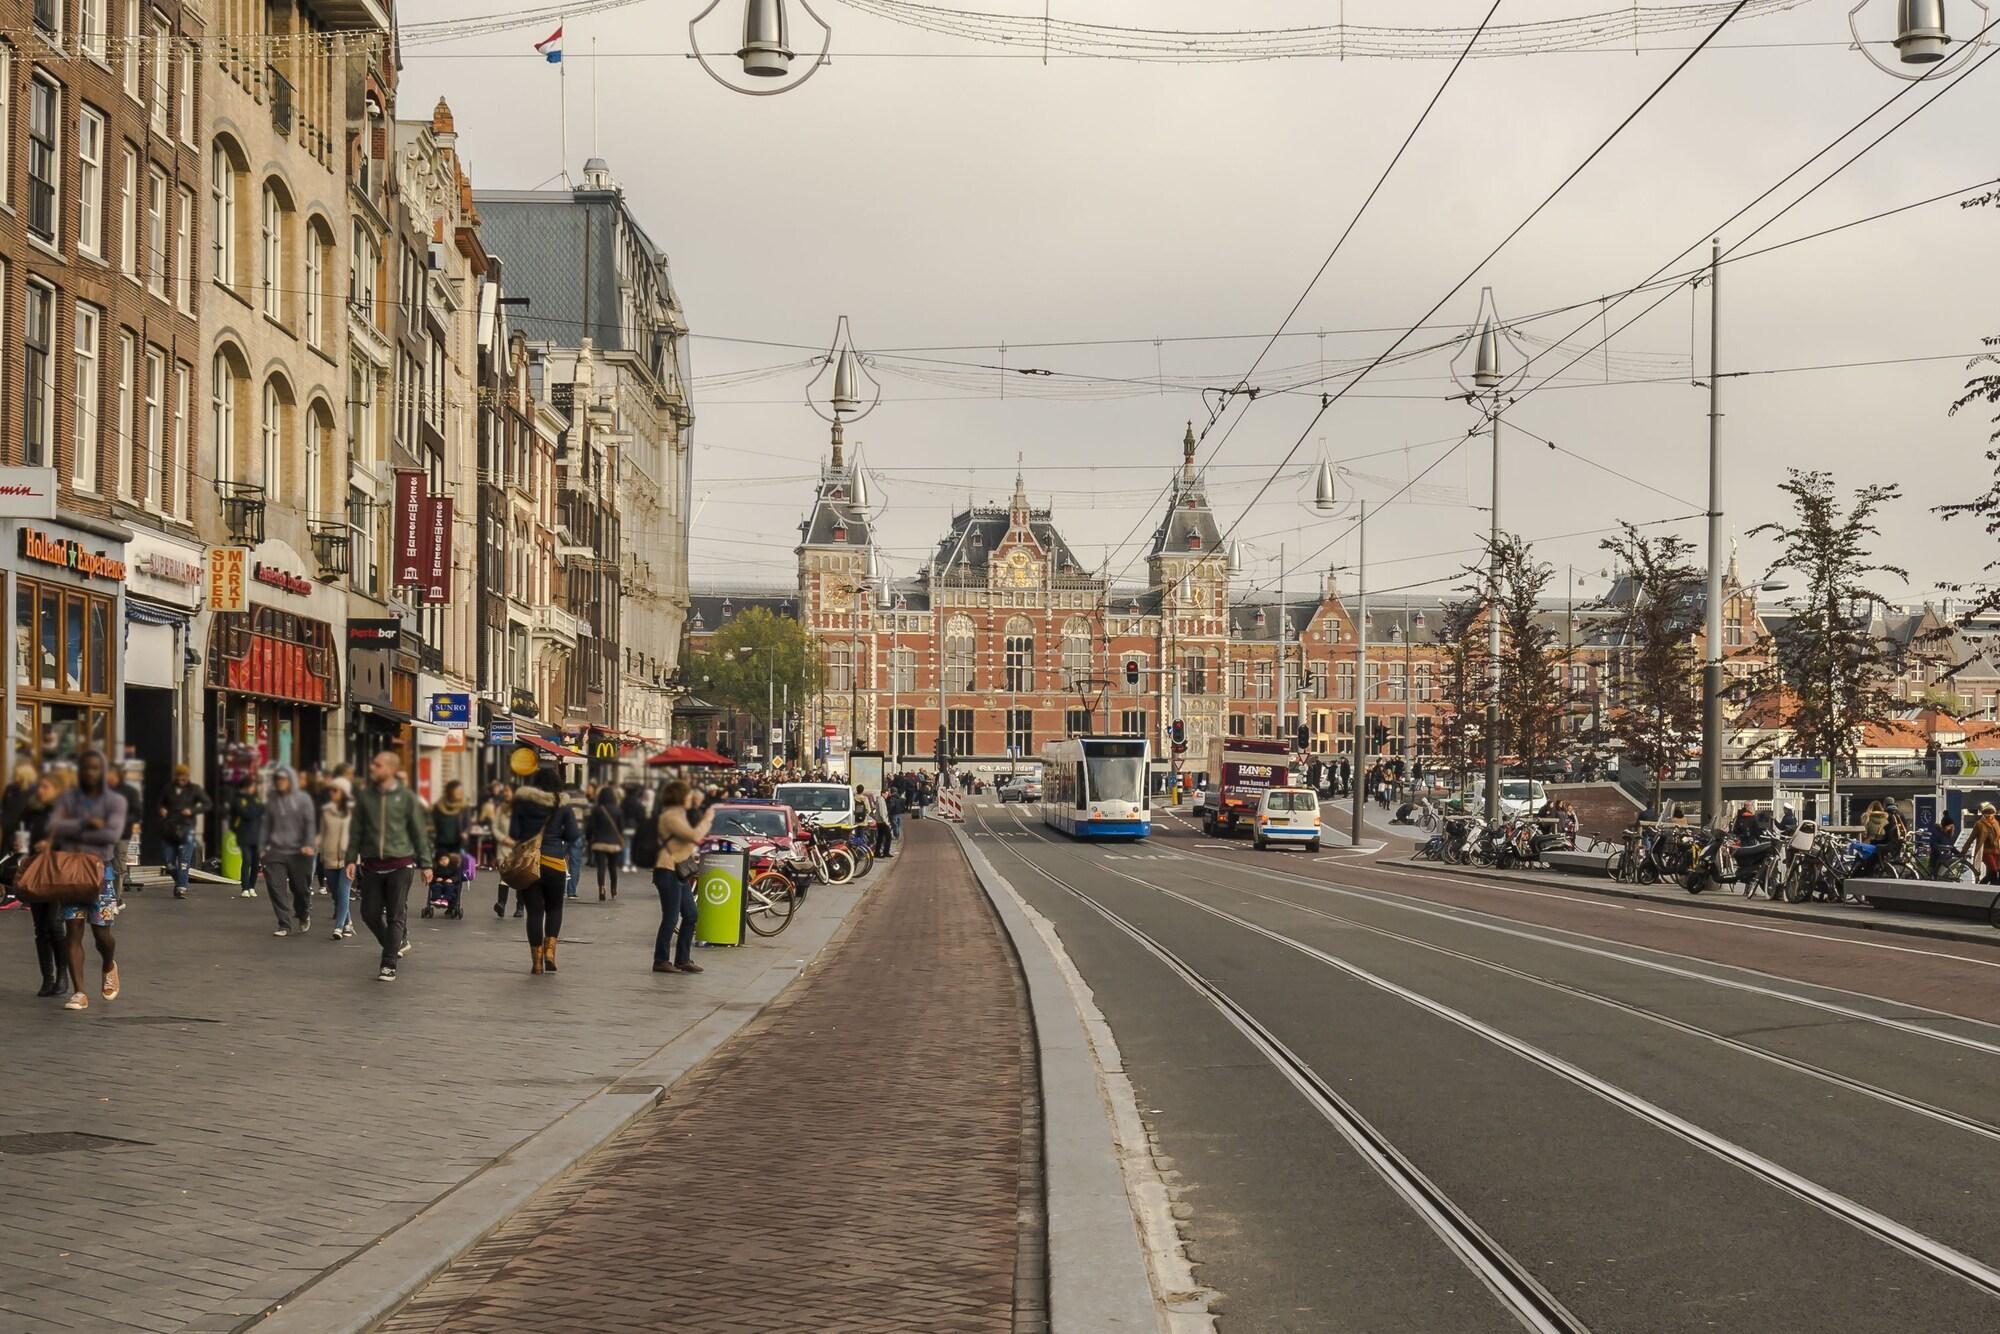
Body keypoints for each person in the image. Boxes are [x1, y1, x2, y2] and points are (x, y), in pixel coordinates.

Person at [48, 750, 127, 1012]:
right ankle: (79, 991)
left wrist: (77, 828)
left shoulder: (114, 801)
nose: (90, 773)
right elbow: (54, 826)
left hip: (100, 874)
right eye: (85, 768)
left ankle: (108, 964)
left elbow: (111, 834)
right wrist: (86, 822)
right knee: (73, 930)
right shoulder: (68, 798)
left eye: (95, 768)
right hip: (71, 874)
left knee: (102, 934)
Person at [344, 751, 433, 983]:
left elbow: (418, 832)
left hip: (400, 863)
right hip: (372, 864)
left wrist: (426, 864)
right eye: (373, 764)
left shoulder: (406, 798)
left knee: (396, 914)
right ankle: (394, 945)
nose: (372, 768)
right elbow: (356, 830)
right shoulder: (365, 797)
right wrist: (350, 858)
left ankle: (388, 963)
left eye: (378, 765)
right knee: (369, 913)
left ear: (391, 770)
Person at [509, 768, 580, 974]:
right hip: (554, 862)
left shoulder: (522, 802)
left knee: (534, 912)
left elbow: (514, 832)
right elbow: (574, 834)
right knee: (555, 908)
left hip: (529, 864)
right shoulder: (562, 804)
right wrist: (558, 836)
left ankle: (537, 961)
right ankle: (550, 953)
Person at [9, 772, 66, 997]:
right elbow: (20, 832)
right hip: (34, 873)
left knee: (54, 924)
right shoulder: (31, 811)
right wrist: (18, 843)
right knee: (40, 928)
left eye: (46, 787)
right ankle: (47, 978)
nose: (40, 791)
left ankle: (63, 976)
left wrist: (51, 844)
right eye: (39, 786)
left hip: (56, 873)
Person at [653, 780, 714, 976]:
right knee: (671, 918)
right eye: (688, 795)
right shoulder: (670, 816)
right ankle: (661, 960)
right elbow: (694, 835)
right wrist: (708, 818)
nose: (690, 798)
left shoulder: (680, 815)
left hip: (679, 871)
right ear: (680, 797)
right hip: (667, 870)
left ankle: (683, 958)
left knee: (691, 914)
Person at [260, 767, 318, 936]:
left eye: (283, 779)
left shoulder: (303, 799)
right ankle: (283, 924)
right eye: (278, 779)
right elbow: (266, 824)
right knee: (275, 886)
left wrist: (308, 843)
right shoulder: (272, 800)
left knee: (300, 888)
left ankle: (303, 912)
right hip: (276, 849)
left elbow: (309, 823)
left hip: (299, 851)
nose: (280, 782)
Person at [158, 764, 209, 899]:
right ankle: (180, 882)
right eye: (179, 778)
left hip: (187, 826)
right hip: (169, 827)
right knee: (168, 862)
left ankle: (181, 887)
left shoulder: (194, 789)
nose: (181, 781)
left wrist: (192, 811)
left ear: (187, 777)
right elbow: (160, 803)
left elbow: (207, 804)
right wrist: (162, 809)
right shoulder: (168, 789)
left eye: (184, 778)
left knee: (184, 860)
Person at [427, 780, 471, 919]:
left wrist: (465, 833)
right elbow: (432, 824)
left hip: (457, 846)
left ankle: (452, 903)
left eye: (461, 791)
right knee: (439, 871)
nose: (461, 794)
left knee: (454, 874)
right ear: (450, 791)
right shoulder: (439, 807)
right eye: (458, 791)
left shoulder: (464, 808)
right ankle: (436, 896)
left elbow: (467, 825)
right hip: (441, 845)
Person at [318, 778, 354, 939]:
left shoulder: (354, 812)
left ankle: (338, 927)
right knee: (336, 893)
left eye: (335, 790)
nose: (332, 793)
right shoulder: (326, 810)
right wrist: (318, 850)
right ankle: (348, 922)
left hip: (349, 858)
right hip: (329, 856)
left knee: (344, 891)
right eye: (331, 790)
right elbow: (322, 833)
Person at [108, 763, 143, 904]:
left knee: (117, 865)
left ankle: (116, 898)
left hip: (121, 834)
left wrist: (121, 820)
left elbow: (137, 813)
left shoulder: (130, 792)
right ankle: (102, 895)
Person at [229, 775, 266, 899]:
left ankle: (252, 886)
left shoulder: (255, 799)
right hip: (244, 834)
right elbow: (247, 813)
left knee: (256, 862)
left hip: (257, 834)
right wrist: (259, 810)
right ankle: (244, 887)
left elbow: (262, 810)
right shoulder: (238, 799)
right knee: (247, 860)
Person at [586, 785, 625, 900]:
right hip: (614, 844)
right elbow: (621, 828)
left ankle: (602, 889)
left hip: (599, 843)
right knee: (613, 867)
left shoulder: (597, 809)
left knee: (601, 868)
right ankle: (614, 890)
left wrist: (589, 839)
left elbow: (590, 827)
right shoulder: (618, 810)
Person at [562, 783, 588, 900]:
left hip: (563, 833)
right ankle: (571, 891)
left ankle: (561, 889)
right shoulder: (582, 798)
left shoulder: (561, 798)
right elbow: (588, 816)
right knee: (575, 863)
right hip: (578, 833)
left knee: (560, 861)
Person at [620, 784, 648, 871]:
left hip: (625, 826)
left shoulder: (624, 802)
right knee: (634, 846)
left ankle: (625, 863)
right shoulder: (637, 802)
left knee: (626, 845)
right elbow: (641, 815)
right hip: (635, 826)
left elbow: (621, 814)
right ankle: (633, 864)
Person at [1971, 802, 2000, 886]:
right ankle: (1989, 889)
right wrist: (1963, 851)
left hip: (1997, 852)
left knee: (1992, 873)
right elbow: (1971, 838)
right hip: (1986, 852)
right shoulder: (1979, 824)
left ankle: (1983, 888)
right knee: (1994, 871)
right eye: (1987, 815)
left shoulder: (1996, 823)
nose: (1990, 816)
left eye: (1991, 814)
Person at [1930, 811, 1960, 880]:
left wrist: (1959, 854)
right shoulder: (1937, 832)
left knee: (1941, 877)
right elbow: (1933, 844)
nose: (1949, 828)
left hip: (1945, 859)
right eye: (1948, 826)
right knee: (1936, 876)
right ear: (1944, 826)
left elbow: (1950, 847)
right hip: (1937, 859)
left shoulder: (1947, 834)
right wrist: (1939, 852)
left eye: (1951, 826)